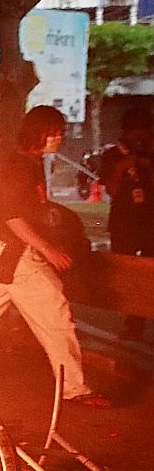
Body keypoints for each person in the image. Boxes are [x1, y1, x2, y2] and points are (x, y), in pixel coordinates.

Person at [0, 106, 107, 407]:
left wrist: (46, 214)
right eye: (55, 131)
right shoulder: (20, 166)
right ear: (39, 133)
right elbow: (12, 216)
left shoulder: (27, 164)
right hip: (19, 256)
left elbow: (20, 208)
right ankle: (75, 388)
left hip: (8, 254)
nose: (60, 137)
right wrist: (48, 249)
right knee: (56, 315)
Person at [98, 106, 154, 341]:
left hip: (150, 223)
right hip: (124, 223)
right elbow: (110, 189)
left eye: (145, 131)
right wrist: (123, 167)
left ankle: (143, 317)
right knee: (125, 272)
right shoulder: (113, 155)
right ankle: (133, 323)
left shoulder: (151, 154)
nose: (140, 137)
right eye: (135, 131)